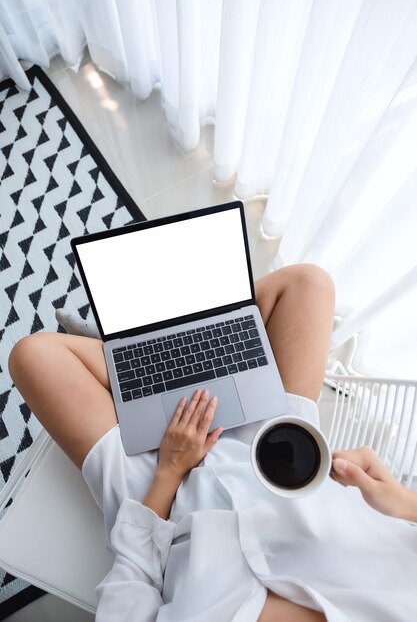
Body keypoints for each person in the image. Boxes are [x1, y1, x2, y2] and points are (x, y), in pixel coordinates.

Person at [8, 264, 417, 621]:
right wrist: (401, 502)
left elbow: (132, 578)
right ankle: (153, 354)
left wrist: (170, 471)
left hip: (167, 507)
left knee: (34, 355)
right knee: (309, 285)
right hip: (286, 464)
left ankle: (132, 359)